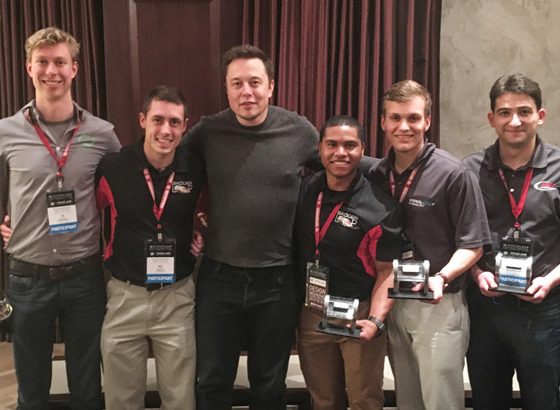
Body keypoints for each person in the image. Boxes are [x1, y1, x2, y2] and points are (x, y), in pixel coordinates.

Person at [183, 44, 320, 410]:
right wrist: (191, 222)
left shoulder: (299, 131)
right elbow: (170, 172)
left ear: (271, 86)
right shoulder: (207, 132)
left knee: (269, 385)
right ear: (226, 89)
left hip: (278, 280)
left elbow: (342, 165)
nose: (247, 92)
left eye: (255, 82)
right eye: (237, 83)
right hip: (219, 277)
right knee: (212, 381)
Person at [0, 27, 120, 409]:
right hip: (27, 277)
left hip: (84, 278)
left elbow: (126, 193)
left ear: (74, 69)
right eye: (43, 62)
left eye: (60, 62)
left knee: (87, 386)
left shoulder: (102, 134)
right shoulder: (5, 132)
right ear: (28, 68)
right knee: (32, 390)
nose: (51, 70)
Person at [366, 80, 490, 410]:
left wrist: (442, 277)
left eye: (413, 118)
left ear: (427, 121)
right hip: (392, 301)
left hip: (438, 302)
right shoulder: (376, 174)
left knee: (441, 402)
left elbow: (474, 244)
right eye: (395, 118)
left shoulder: (454, 173)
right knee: (408, 400)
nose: (404, 127)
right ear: (383, 122)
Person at [96, 85, 203, 409]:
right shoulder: (113, 167)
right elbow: (86, 213)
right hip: (124, 295)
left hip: (177, 298)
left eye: (174, 122)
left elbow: (210, 211)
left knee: (181, 399)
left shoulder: (195, 169)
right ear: (143, 120)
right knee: (121, 399)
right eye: (158, 120)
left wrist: (202, 235)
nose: (165, 130)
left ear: (185, 126)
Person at [463, 73, 560, 410]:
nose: (514, 121)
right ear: (492, 118)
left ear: (540, 115)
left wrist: (550, 280)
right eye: (504, 112)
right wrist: (477, 273)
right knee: (488, 401)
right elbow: (458, 237)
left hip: (544, 310)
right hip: (485, 309)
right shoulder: (469, 170)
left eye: (524, 111)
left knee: (544, 401)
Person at [295, 115, 402, 410]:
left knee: (364, 401)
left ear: (362, 150)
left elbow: (387, 272)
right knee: (323, 400)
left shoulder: (380, 207)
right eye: (332, 144)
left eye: (350, 145)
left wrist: (376, 321)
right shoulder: (304, 191)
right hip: (313, 311)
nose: (340, 152)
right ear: (320, 148)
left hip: (360, 314)